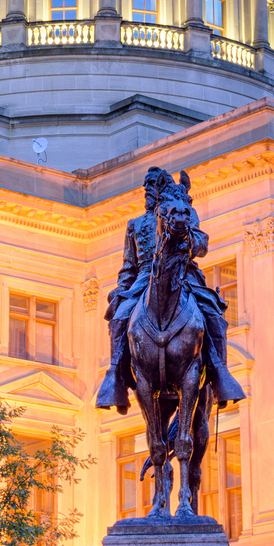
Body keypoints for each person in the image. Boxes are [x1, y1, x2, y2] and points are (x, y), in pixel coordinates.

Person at [95, 168, 246, 410]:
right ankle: (115, 376)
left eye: (152, 187)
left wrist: (184, 235)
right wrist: (121, 292)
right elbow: (128, 266)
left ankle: (220, 371)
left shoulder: (184, 212)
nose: (147, 192)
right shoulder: (134, 225)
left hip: (184, 275)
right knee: (120, 316)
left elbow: (201, 245)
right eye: (146, 187)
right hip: (144, 279)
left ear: (161, 191)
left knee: (214, 314)